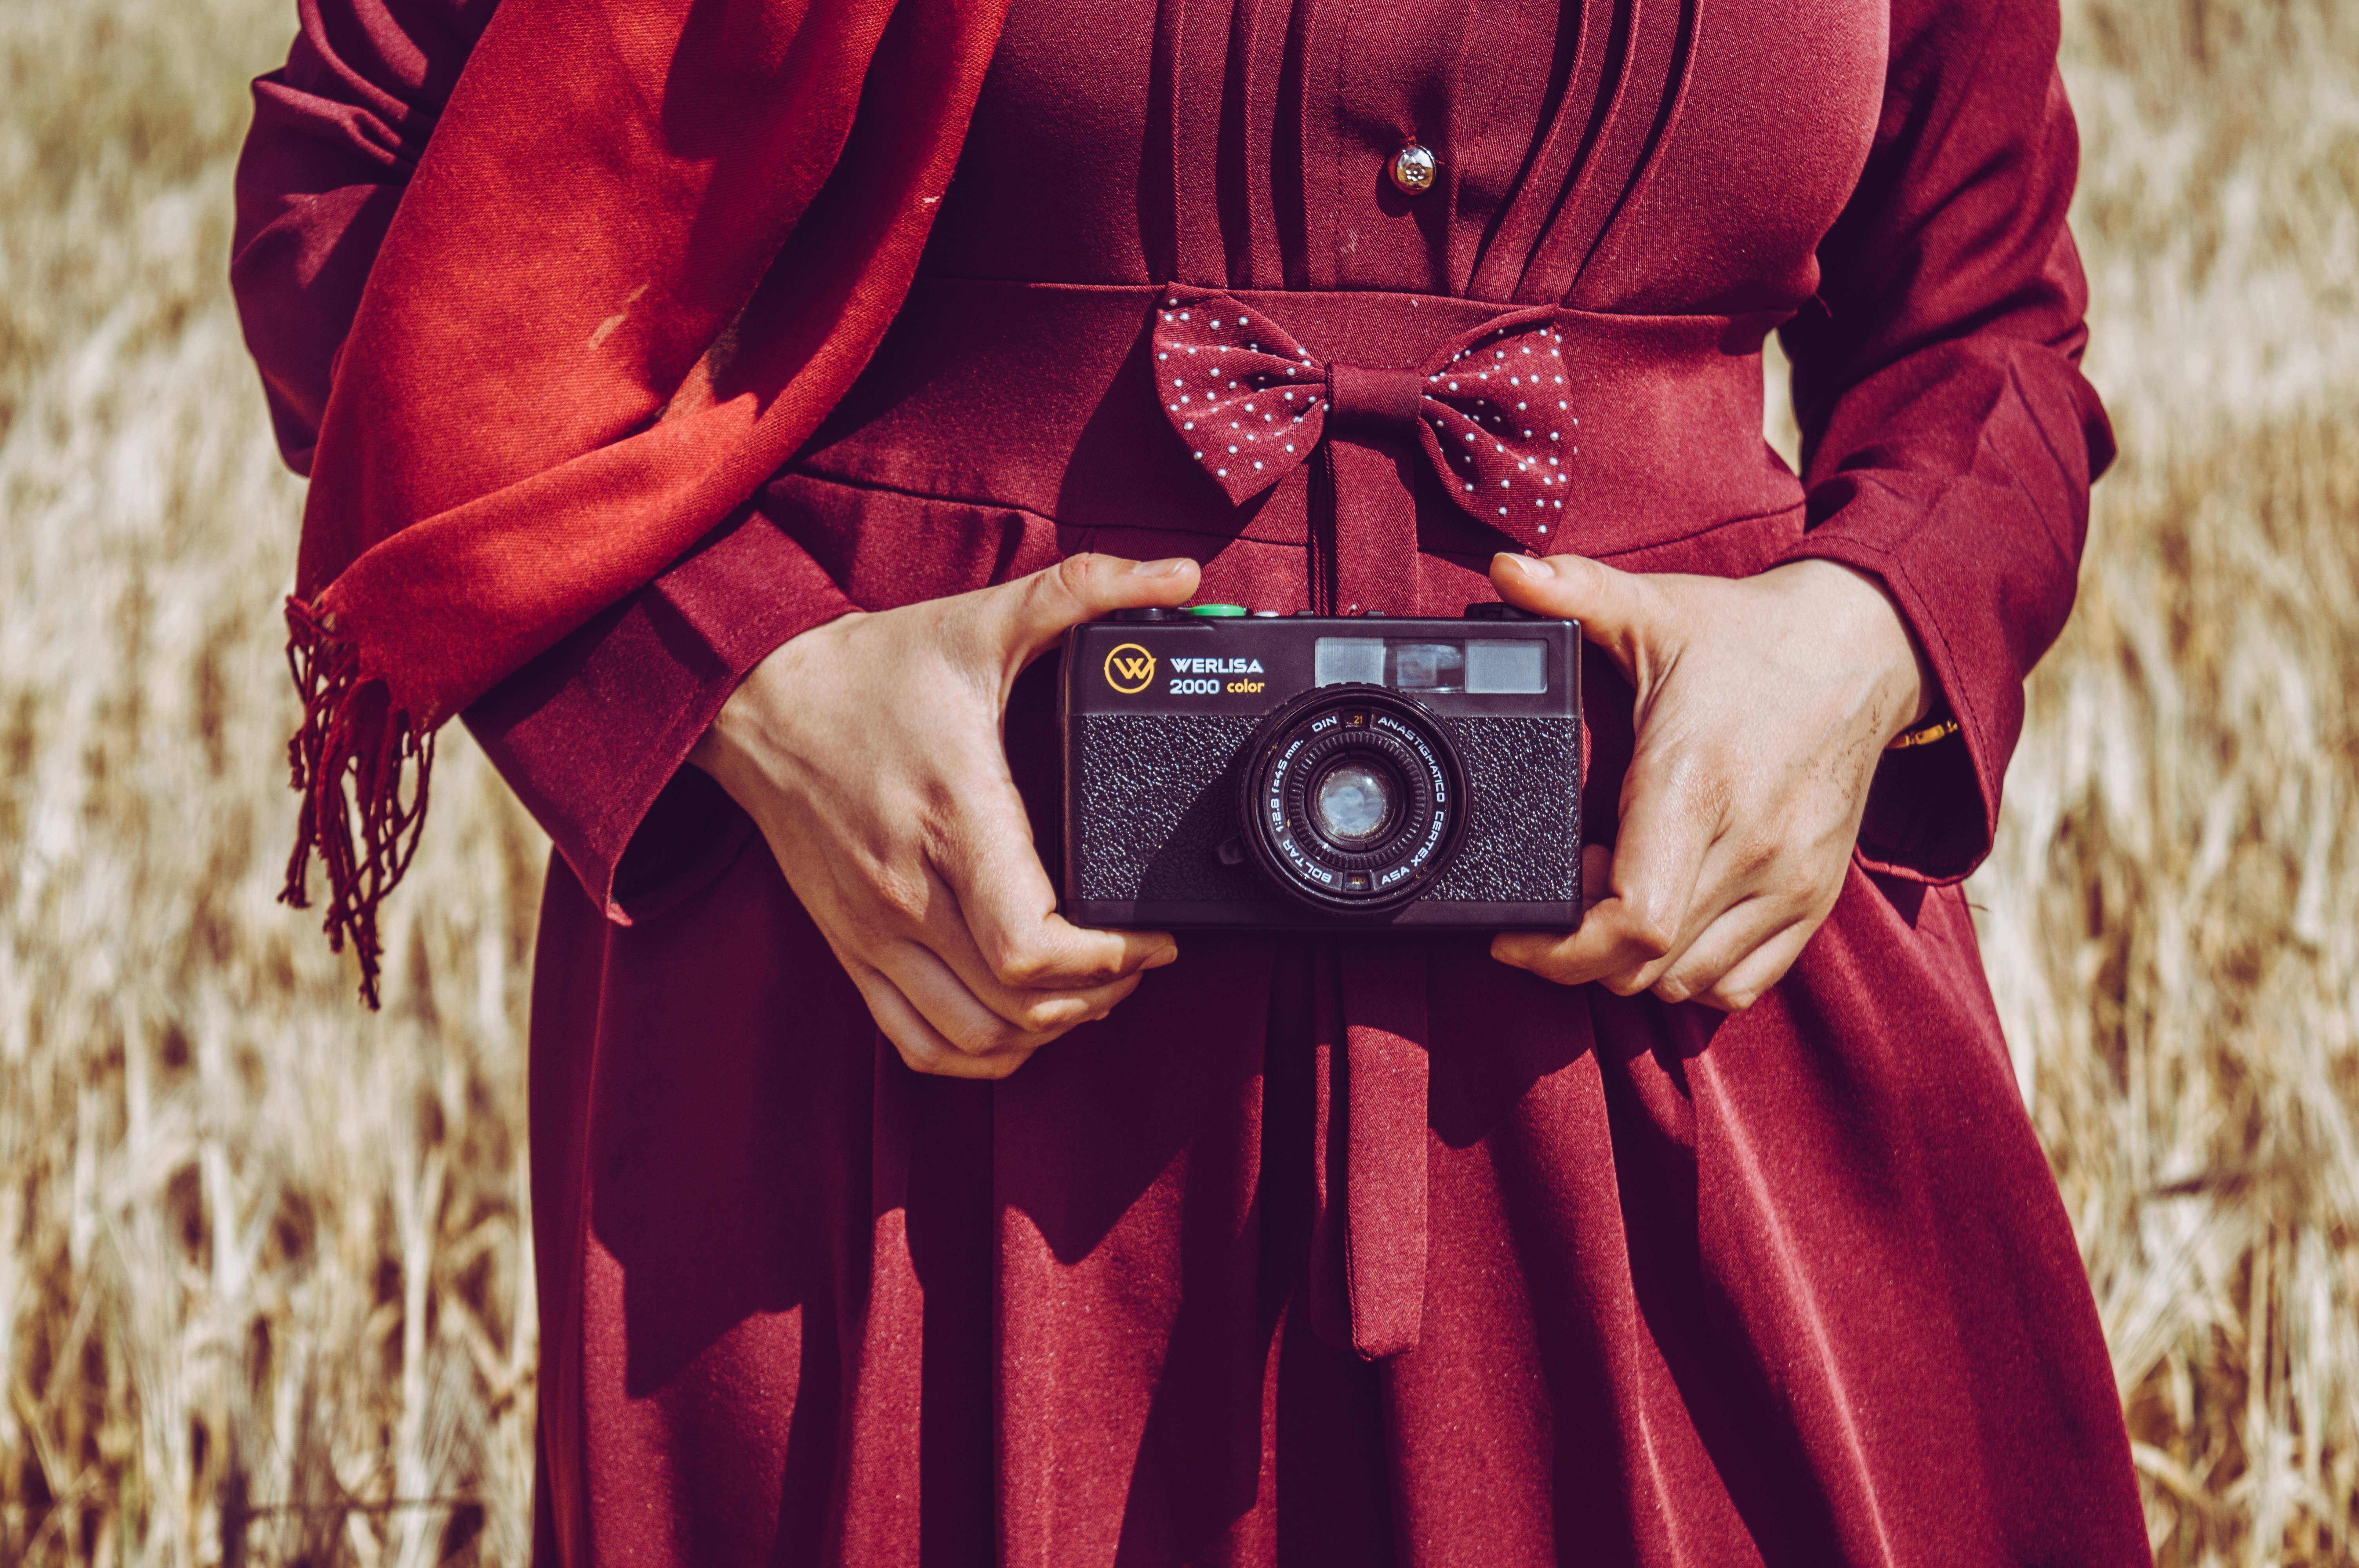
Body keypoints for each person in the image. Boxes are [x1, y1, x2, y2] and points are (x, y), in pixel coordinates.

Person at [231, 0, 2150, 1558]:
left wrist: (1860, 637)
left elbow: (1983, 327)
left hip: (1684, 1023)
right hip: (918, 1058)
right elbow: (366, 194)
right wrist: (747, 684)